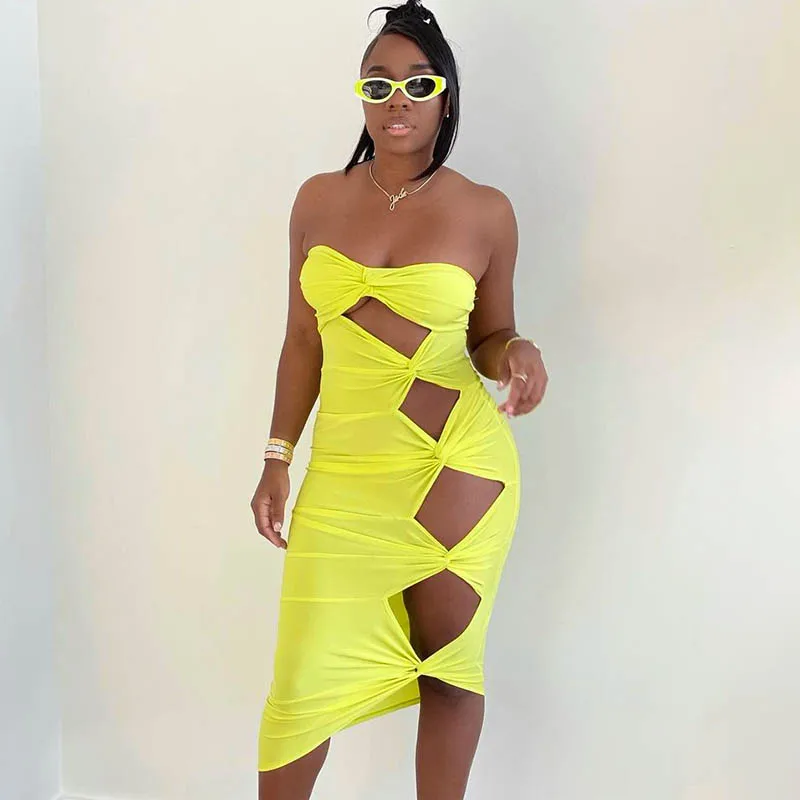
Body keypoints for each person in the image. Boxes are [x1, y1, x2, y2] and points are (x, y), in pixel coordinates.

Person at [251, 1, 548, 797]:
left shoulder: (485, 211)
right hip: (343, 475)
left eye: (419, 83)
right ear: (361, 96)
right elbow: (302, 340)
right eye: (377, 83)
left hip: (454, 471)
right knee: (299, 693)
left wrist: (517, 353)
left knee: (446, 670)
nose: (397, 100)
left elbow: (492, 335)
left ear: (445, 96)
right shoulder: (316, 201)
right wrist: (277, 457)